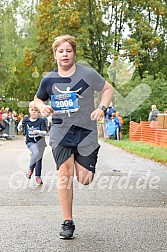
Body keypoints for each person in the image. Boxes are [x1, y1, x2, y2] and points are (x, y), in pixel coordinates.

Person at [34, 34, 113, 239]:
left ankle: (85, 159)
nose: (65, 54)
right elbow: (38, 99)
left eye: (68, 50)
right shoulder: (49, 79)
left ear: (74, 53)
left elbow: (107, 88)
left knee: (85, 179)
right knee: (64, 174)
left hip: (86, 131)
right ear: (55, 55)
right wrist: (43, 108)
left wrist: (102, 109)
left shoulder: (87, 74)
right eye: (61, 51)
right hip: (61, 132)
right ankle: (67, 222)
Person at [18, 101, 47, 185]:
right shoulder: (26, 119)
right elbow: (20, 127)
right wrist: (20, 126)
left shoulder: (41, 121)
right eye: (32, 110)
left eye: (36, 110)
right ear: (29, 110)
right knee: (35, 153)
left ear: (39, 111)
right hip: (30, 142)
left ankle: (38, 176)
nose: (34, 112)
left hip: (40, 142)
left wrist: (39, 132)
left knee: (39, 159)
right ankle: (30, 170)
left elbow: (45, 132)